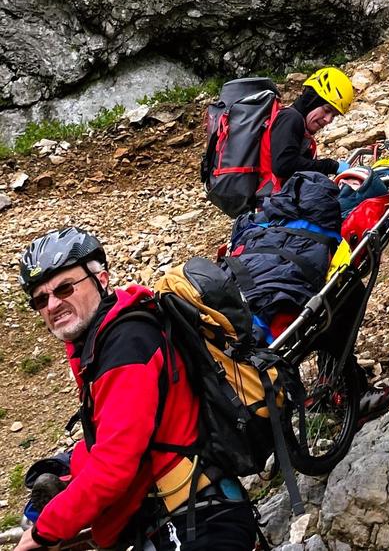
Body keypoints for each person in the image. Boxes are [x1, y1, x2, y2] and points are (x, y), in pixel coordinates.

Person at [14, 227, 258, 551]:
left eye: (65, 288)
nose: (53, 304)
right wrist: (66, 472)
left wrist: (45, 530)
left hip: (198, 524)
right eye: (41, 299)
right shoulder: (101, 344)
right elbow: (112, 437)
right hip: (176, 518)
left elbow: (114, 465)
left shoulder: (126, 346)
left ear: (101, 279)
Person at [268, 66, 355, 185]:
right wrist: (330, 166)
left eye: (334, 116)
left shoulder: (301, 129)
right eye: (327, 110)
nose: (328, 120)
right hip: (266, 200)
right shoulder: (291, 118)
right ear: (312, 101)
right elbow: (284, 165)